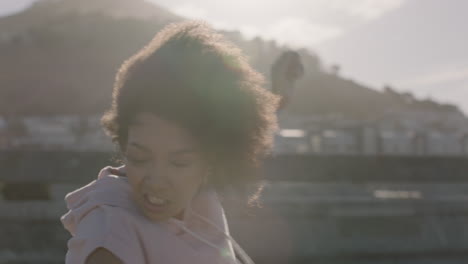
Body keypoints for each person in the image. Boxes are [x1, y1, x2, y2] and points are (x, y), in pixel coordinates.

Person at [60, 21, 280, 264]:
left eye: (179, 162)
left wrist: (281, 91)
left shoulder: (200, 195)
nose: (155, 181)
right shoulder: (109, 234)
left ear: (213, 159)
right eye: (139, 158)